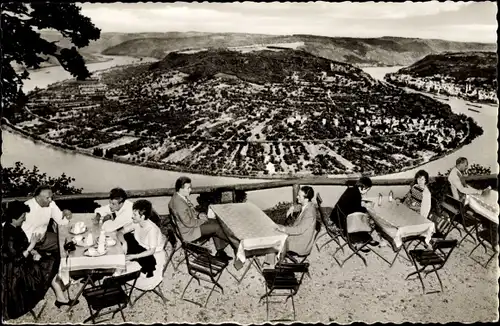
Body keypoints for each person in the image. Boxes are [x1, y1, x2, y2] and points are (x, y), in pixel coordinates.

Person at [2, 201, 76, 320]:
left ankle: (60, 296)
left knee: (52, 259)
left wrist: (33, 251)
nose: (24, 219)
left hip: (24, 261)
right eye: (22, 217)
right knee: (48, 265)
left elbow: (22, 247)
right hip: (16, 273)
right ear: (13, 218)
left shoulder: (15, 227)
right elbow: (16, 260)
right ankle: (59, 295)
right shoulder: (9, 234)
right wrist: (32, 246)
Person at [168, 176, 239, 262]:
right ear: (180, 188)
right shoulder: (179, 203)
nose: (190, 190)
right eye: (188, 188)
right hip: (189, 232)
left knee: (217, 222)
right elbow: (188, 223)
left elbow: (190, 211)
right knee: (217, 227)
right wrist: (202, 220)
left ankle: (221, 251)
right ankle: (237, 244)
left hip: (188, 228)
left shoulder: (178, 197)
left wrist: (199, 215)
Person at [116, 200, 166, 289]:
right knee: (118, 260)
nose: (132, 217)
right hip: (139, 249)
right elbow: (120, 232)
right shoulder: (137, 223)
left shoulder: (151, 229)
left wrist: (134, 256)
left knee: (120, 271)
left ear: (142, 216)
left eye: (135, 215)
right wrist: (124, 242)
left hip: (152, 257)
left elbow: (151, 251)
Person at [269, 186, 318, 266]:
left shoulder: (309, 213)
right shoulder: (309, 205)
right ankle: (272, 261)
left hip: (301, 243)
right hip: (300, 237)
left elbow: (299, 230)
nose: (297, 197)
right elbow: (301, 207)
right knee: (276, 233)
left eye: (299, 196)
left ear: (305, 199)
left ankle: (279, 263)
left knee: (278, 238)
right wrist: (293, 208)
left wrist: (284, 228)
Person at [329, 176, 379, 248]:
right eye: (367, 190)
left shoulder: (351, 190)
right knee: (361, 221)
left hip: (337, 216)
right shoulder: (356, 195)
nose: (366, 192)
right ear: (363, 187)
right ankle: (361, 240)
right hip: (341, 221)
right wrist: (365, 209)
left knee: (359, 220)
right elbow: (356, 210)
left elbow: (352, 206)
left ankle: (366, 239)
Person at [22, 185, 72, 255]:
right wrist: (30, 248)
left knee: (68, 242)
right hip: (28, 243)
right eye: (47, 198)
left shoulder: (51, 204)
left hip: (44, 238)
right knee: (64, 247)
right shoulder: (26, 207)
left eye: (51, 197)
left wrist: (67, 216)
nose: (50, 200)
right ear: (38, 198)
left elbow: (60, 221)